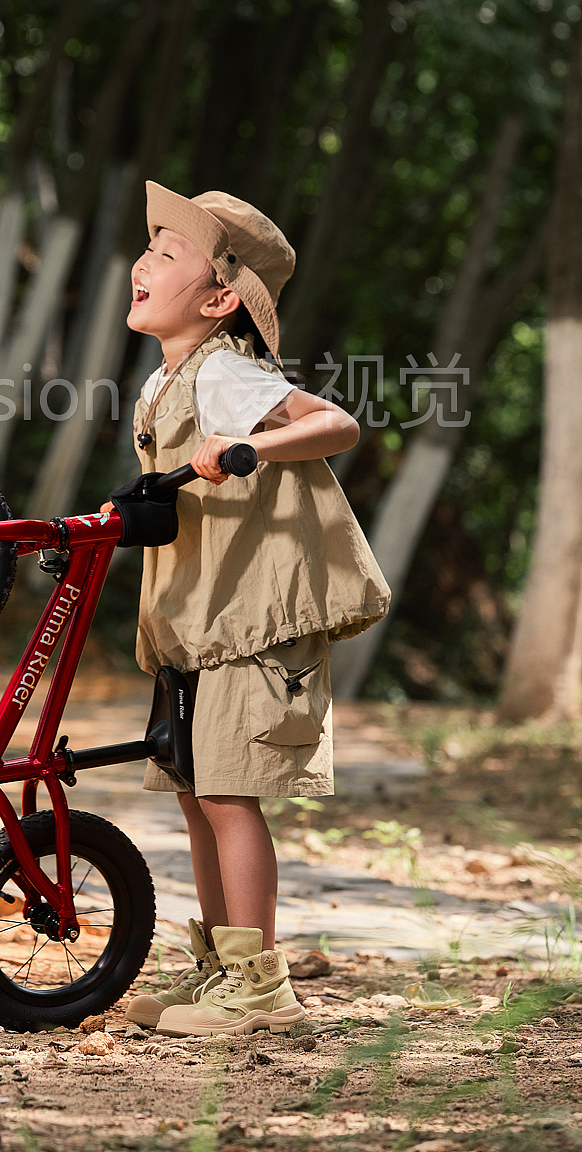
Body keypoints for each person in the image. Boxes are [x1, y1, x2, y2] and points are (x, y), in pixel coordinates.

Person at [120, 182, 390, 1038]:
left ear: (218, 300)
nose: (143, 263)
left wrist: (251, 443)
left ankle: (262, 988)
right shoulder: (163, 383)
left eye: (168, 254)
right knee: (198, 794)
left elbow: (337, 425)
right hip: (204, 624)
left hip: (252, 625)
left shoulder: (226, 372)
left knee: (230, 794)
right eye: (148, 247)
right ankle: (221, 970)